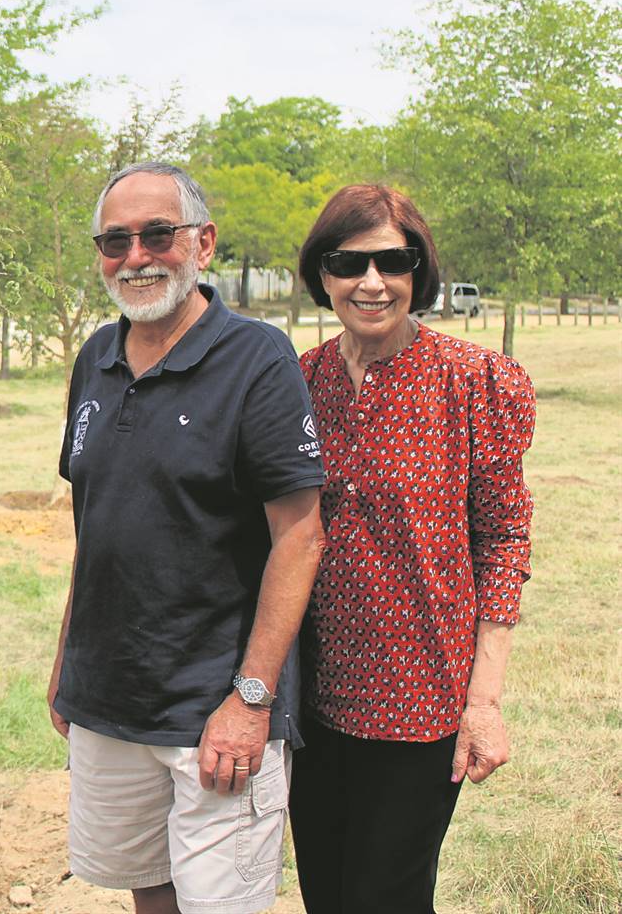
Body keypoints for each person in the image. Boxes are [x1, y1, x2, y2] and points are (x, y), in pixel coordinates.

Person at [48, 162, 325, 914]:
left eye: (157, 234)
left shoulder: (256, 359)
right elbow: (94, 524)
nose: (135, 256)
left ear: (203, 243)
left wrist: (252, 697)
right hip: (110, 696)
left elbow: (301, 537)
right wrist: (68, 662)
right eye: (115, 241)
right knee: (149, 888)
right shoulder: (95, 358)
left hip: (215, 707)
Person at [289, 185, 535, 914]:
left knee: (385, 898)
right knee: (326, 895)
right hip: (312, 702)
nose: (371, 282)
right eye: (349, 263)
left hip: (421, 701)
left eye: (392, 262)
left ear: (418, 270)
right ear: (323, 273)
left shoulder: (475, 382)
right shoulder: (299, 382)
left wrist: (483, 702)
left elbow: (503, 540)